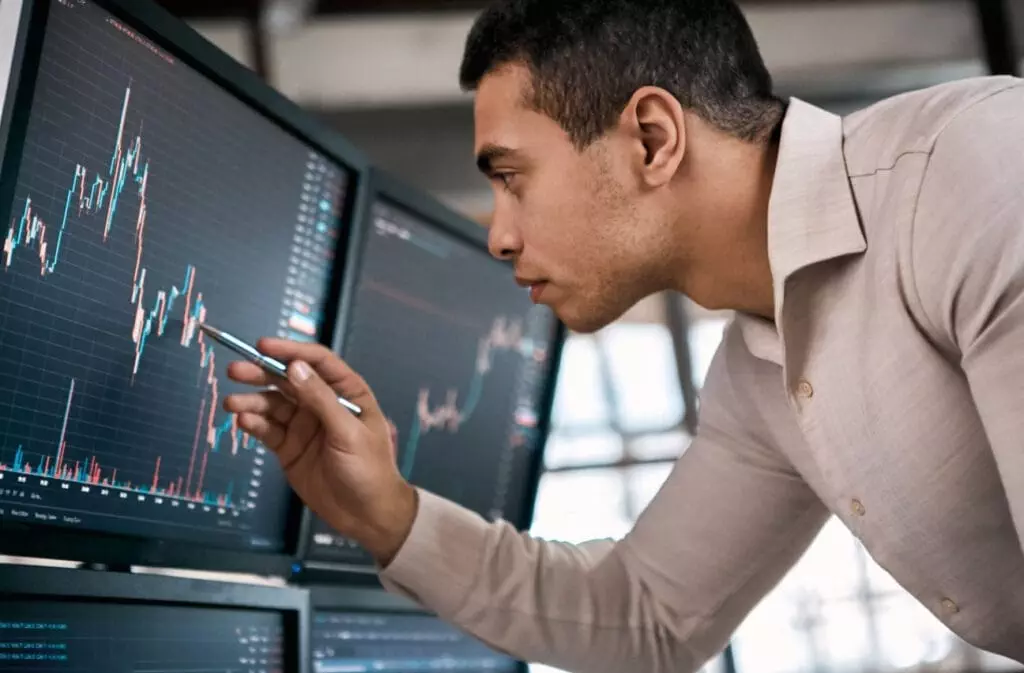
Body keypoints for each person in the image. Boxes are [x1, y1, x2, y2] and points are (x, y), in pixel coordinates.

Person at [225, 0, 1024, 670]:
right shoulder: (758, 372)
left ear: (651, 137)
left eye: (511, 178)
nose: (498, 235)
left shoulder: (975, 174)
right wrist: (387, 514)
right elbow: (644, 614)